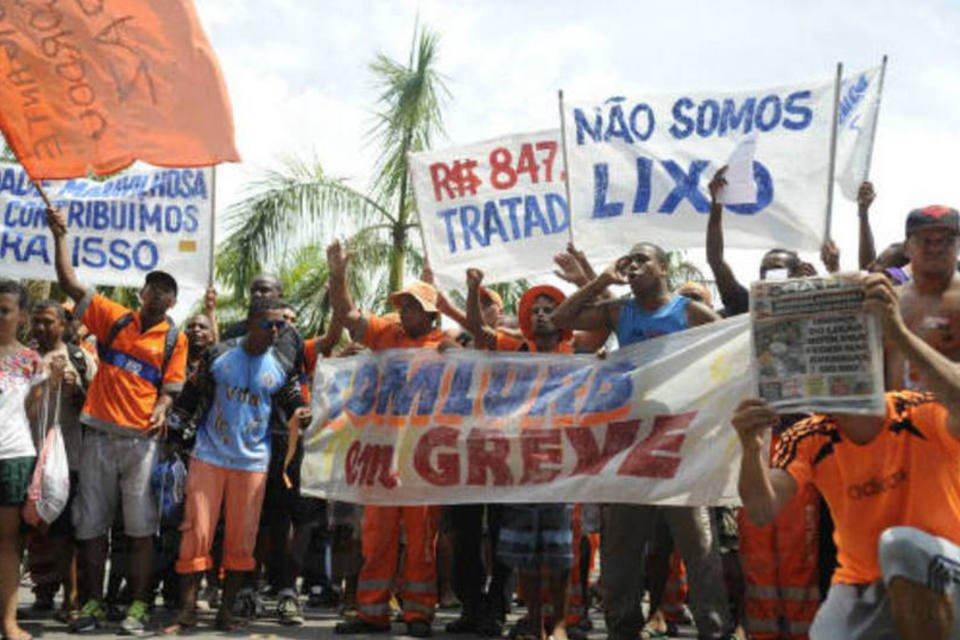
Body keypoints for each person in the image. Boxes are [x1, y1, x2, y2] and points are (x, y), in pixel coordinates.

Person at [733, 272, 960, 640]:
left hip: (946, 574)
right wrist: (749, 447)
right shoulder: (810, 435)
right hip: (862, 584)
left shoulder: (919, 412)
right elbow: (762, 509)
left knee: (901, 546)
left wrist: (899, 333)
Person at [551, 242, 731, 640]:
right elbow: (562, 319)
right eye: (628, 262)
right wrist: (601, 278)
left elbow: (731, 352)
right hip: (631, 448)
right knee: (619, 555)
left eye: (642, 260)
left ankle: (714, 630)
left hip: (682, 449)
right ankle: (622, 630)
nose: (632, 267)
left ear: (663, 268)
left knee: (699, 550)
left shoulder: (689, 312)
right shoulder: (620, 312)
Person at [46, 208, 188, 635]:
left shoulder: (173, 339)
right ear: (142, 291)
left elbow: (171, 387)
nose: (159, 294)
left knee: (141, 530)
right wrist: (60, 236)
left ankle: (139, 607)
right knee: (91, 527)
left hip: (141, 444)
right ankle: (92, 605)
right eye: (154, 286)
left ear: (174, 302)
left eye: (167, 290)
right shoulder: (114, 317)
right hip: (98, 436)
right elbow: (69, 282)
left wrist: (162, 406)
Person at [327, 240, 454, 638]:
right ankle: (372, 611)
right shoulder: (387, 334)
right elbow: (347, 315)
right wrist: (337, 274)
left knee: (420, 540)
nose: (404, 310)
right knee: (377, 536)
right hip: (382, 456)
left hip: (425, 460)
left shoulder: (447, 346)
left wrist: (459, 354)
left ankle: (418, 613)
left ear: (431, 314)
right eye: (403, 304)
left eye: (413, 305)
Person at [162, 297, 306, 633]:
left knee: (242, 542)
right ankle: (186, 612)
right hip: (208, 457)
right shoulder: (219, 354)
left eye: (280, 326)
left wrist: (301, 411)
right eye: (268, 324)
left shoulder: (281, 364)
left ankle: (226, 613)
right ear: (251, 321)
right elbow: (190, 396)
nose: (275, 331)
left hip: (252, 463)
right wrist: (173, 436)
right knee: (195, 535)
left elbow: (293, 398)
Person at [467, 269, 577, 640]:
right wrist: (471, 289)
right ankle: (533, 622)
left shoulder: (576, 354)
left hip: (562, 466)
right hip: (520, 466)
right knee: (525, 553)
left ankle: (559, 622)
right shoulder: (517, 351)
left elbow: (605, 321)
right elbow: (478, 332)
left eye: (550, 309)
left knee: (559, 553)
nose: (542, 315)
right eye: (536, 310)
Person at [222, 273, 310, 626]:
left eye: (267, 289)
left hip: (279, 437)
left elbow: (278, 373)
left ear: (279, 295)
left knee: (282, 520)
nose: (258, 292)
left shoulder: (288, 335)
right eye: (254, 288)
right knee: (247, 520)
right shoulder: (230, 332)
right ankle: (247, 590)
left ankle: (288, 592)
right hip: (239, 439)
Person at [27, 300, 97, 621]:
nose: (41, 328)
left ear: (63, 325)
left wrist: (77, 391)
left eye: (48, 322)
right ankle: (39, 594)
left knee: (62, 531)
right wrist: (46, 383)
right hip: (24, 455)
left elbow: (95, 412)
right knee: (24, 531)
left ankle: (71, 598)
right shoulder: (20, 359)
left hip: (67, 460)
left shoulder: (80, 358)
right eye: (37, 322)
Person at [0, 280, 46, 640]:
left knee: (9, 543)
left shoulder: (31, 361)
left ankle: (8, 622)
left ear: (22, 316)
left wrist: (50, 382)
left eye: (5, 311)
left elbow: (32, 414)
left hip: (14, 458)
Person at [886, 205, 960, 391]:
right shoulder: (887, 301)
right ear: (907, 248)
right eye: (925, 240)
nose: (935, 248)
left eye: (946, 241)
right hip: (893, 414)